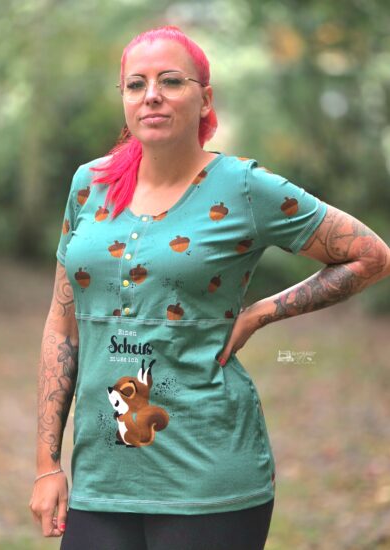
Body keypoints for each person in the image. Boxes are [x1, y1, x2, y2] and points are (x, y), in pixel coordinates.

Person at [28, 24, 390, 550]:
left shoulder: (243, 187)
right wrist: (47, 464)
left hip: (211, 479)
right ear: (124, 99)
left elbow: (370, 256)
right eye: (136, 84)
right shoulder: (91, 184)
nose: (152, 94)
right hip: (102, 481)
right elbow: (62, 328)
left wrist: (263, 312)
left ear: (205, 99)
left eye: (171, 81)